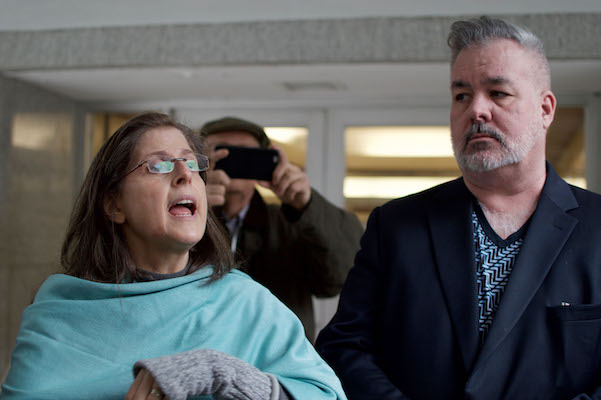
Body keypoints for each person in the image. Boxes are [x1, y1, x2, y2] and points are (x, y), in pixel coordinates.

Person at [316, 16, 601, 400]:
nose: (476, 110)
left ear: (545, 109)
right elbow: (343, 348)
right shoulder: (398, 226)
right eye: (462, 95)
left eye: (498, 93)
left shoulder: (597, 227)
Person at [0, 113, 347, 400]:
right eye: (159, 165)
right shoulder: (59, 315)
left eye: (193, 163)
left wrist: (223, 372)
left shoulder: (250, 303)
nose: (185, 174)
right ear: (114, 204)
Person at [200, 117, 363, 342]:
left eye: (244, 155)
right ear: (200, 161)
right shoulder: (184, 218)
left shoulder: (291, 221)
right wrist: (192, 207)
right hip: (198, 353)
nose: (233, 162)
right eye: (222, 153)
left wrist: (306, 205)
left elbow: (340, 276)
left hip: (278, 361)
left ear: (263, 162)